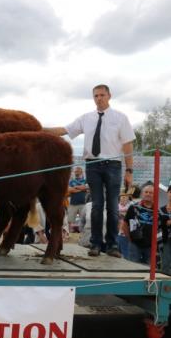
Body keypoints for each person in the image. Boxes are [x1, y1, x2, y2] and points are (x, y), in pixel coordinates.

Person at [45, 84, 135, 258]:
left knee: (112, 207)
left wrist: (129, 170)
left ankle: (112, 245)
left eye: (102, 95)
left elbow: (128, 144)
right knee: (96, 205)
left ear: (109, 96)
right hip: (92, 165)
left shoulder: (121, 117)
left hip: (113, 164)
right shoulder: (86, 118)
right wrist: (39, 129)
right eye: (96, 96)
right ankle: (95, 243)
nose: (99, 98)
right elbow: (64, 130)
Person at [123, 184, 156, 265]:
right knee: (133, 268)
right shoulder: (133, 208)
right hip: (135, 244)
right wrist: (130, 238)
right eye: (146, 192)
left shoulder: (158, 211)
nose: (148, 194)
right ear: (142, 194)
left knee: (149, 270)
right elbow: (125, 224)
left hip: (150, 246)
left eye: (151, 192)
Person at [68, 166, 88, 230]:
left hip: (83, 203)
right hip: (73, 203)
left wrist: (76, 187)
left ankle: (82, 233)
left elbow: (86, 188)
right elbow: (70, 190)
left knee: (83, 220)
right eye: (75, 171)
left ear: (81, 172)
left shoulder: (85, 181)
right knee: (70, 220)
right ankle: (70, 233)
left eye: (77, 171)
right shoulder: (71, 181)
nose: (76, 172)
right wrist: (81, 188)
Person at [159, 186, 171, 274]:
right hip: (165, 240)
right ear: (167, 193)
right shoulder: (160, 209)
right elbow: (159, 225)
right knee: (165, 264)